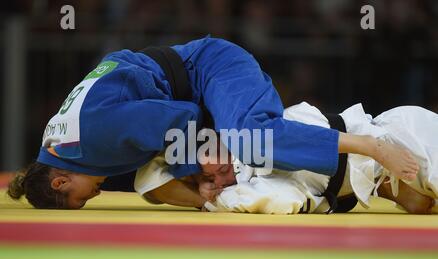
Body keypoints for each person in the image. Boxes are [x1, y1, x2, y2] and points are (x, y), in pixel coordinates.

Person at [7, 36, 419, 209]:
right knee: (150, 184)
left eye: (81, 198)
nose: (94, 196)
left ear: (60, 180)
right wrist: (200, 180)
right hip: (189, 83)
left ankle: (371, 146)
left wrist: (195, 168)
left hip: (209, 67)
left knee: (250, 138)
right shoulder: (59, 140)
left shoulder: (93, 136)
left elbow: (184, 118)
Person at [194, 102, 438, 214]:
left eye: (223, 169)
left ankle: (387, 177)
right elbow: (280, 198)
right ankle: (389, 187)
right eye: (210, 176)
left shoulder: (265, 145)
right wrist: (206, 194)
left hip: (399, 138)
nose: (220, 181)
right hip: (374, 174)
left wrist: (213, 201)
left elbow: (276, 198)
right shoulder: (253, 179)